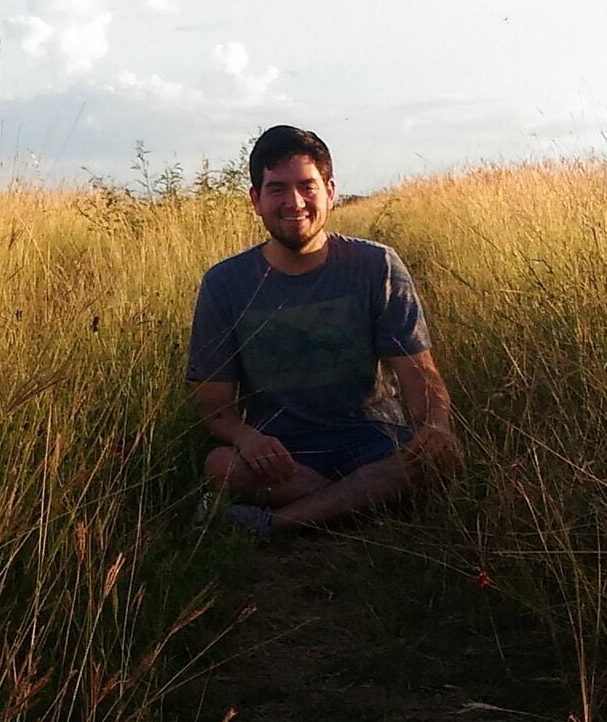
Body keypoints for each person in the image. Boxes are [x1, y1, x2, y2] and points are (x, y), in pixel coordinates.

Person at [186, 124, 460, 537]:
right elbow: (213, 405)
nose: (294, 203)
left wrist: (435, 427)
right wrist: (247, 439)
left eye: (307, 186)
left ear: (330, 191)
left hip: (374, 441)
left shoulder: (377, 266)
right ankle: (359, 503)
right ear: (256, 200)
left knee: (447, 455)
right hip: (285, 454)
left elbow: (419, 375)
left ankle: (274, 523)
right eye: (277, 189)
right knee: (221, 465)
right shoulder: (226, 283)